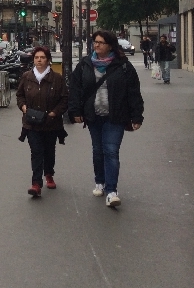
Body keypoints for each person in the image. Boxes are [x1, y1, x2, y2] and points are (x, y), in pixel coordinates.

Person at [68, 30, 143, 208]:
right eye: (95, 42)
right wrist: (75, 111)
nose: (97, 45)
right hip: (93, 115)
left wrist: (137, 115)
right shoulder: (85, 64)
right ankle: (99, 181)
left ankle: (111, 190)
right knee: (97, 150)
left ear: (110, 45)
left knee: (111, 151)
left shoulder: (123, 65)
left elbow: (133, 92)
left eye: (101, 42)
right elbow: (75, 89)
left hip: (115, 115)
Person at [16, 46, 69, 197]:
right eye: (36, 58)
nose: (39, 60)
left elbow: (64, 98)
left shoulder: (56, 78)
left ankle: (49, 174)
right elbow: (20, 95)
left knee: (49, 150)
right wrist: (24, 108)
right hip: (31, 122)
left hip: (50, 123)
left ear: (48, 60)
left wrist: (54, 113)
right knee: (36, 151)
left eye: (42, 57)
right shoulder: (27, 76)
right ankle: (36, 183)